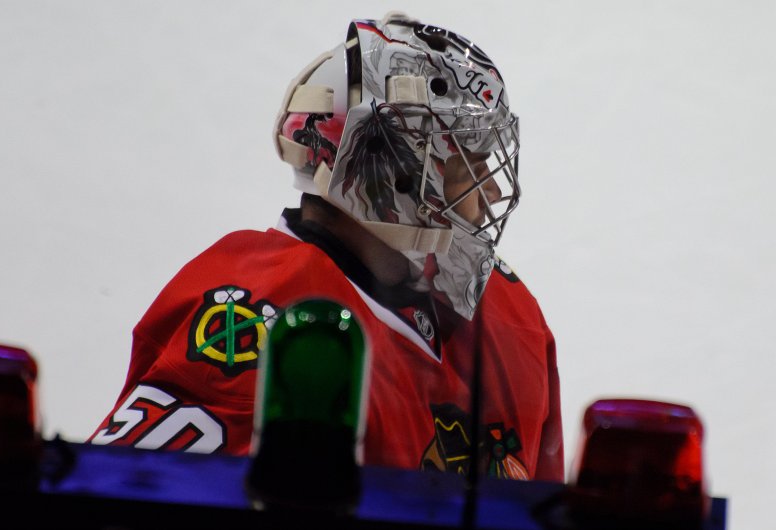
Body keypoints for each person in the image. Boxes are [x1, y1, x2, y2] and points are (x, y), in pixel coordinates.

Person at [90, 12, 564, 482]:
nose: (493, 191)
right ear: (393, 174)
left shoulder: (510, 316)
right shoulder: (262, 328)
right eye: (468, 163)